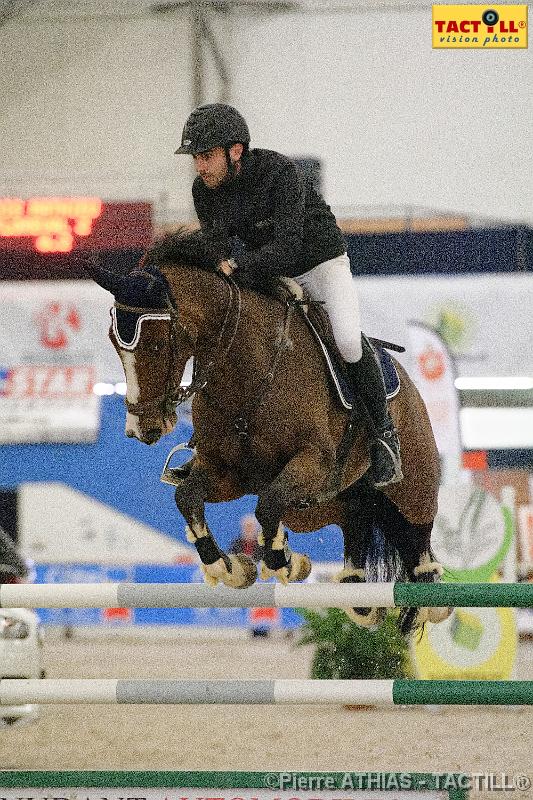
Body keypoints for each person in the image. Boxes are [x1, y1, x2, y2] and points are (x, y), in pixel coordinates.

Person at [175, 103, 402, 488]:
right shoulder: (204, 191)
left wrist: (235, 266)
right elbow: (216, 245)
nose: (201, 166)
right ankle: (207, 443)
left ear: (235, 151)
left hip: (319, 263)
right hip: (267, 270)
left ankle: (384, 437)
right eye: (197, 157)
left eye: (207, 156)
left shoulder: (278, 173)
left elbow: (287, 246)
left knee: (346, 340)